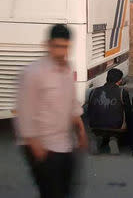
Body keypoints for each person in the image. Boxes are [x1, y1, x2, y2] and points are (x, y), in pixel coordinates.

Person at [15, 24, 88, 198]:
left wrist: (81, 131)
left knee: (66, 190)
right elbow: (25, 112)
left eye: (65, 47)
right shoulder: (34, 73)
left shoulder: (68, 70)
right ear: (48, 45)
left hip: (64, 144)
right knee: (52, 193)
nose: (61, 52)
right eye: (57, 46)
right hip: (42, 145)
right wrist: (35, 146)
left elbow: (71, 103)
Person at [87, 68, 132, 155]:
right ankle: (114, 139)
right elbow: (128, 111)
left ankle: (98, 139)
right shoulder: (122, 92)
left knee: (101, 130)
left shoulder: (94, 91)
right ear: (119, 80)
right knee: (124, 127)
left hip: (95, 125)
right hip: (116, 127)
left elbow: (89, 110)